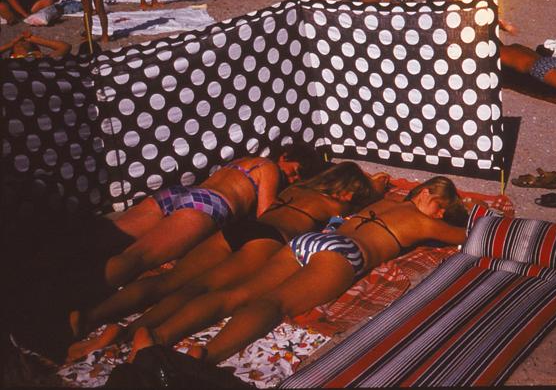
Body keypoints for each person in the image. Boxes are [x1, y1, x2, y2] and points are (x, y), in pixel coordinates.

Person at [127, 176, 468, 365]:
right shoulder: (423, 221)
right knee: (274, 303)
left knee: (235, 293)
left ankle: (159, 336)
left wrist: (378, 184)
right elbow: (466, 235)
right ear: (425, 193)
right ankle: (205, 357)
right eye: (441, 206)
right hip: (342, 253)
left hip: (310, 239)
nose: (440, 215)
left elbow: (371, 187)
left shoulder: (383, 201)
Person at [65, 162, 384, 362]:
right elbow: (366, 210)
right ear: (346, 193)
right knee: (208, 291)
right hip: (269, 238)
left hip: (240, 228)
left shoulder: (297, 189)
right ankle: (152, 336)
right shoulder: (336, 206)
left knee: (171, 281)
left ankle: (95, 318)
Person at [95, 144, 324, 289]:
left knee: (109, 238)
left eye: (299, 178)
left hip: (180, 193)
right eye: (296, 171)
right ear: (284, 156)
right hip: (209, 204)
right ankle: (85, 299)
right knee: (136, 259)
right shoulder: (270, 168)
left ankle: (78, 275)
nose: (293, 178)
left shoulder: (244, 160)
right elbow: (266, 216)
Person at [0, 30, 70, 59]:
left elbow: (65, 47)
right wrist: (11, 43)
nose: (20, 42)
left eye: (24, 41)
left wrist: (33, 39)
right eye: (16, 44)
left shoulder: (40, 58)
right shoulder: (8, 61)